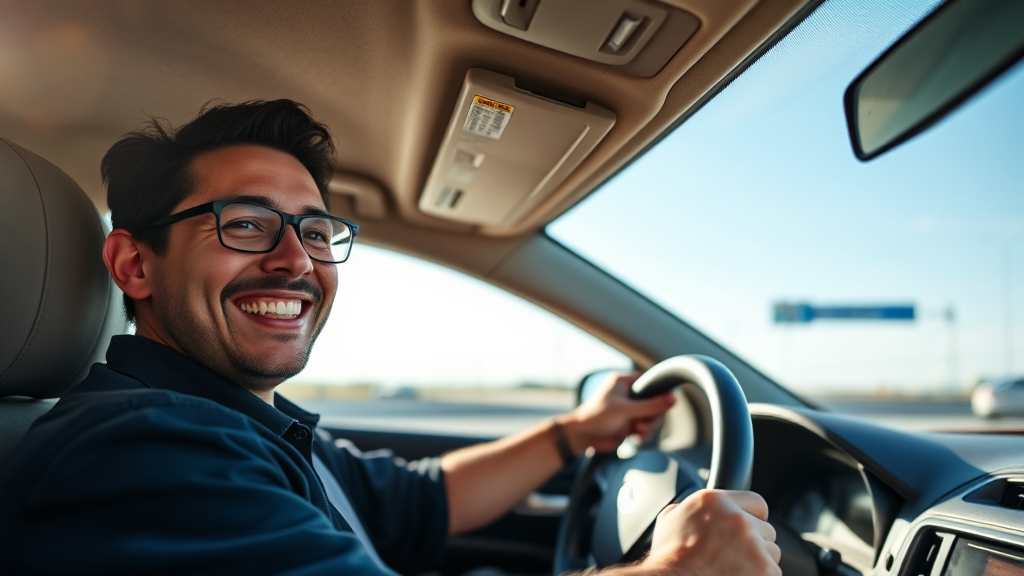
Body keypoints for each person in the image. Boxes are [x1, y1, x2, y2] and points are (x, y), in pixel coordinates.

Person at [0, 100, 781, 576]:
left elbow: (420, 502)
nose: (296, 259)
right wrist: (679, 567)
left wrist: (579, 431)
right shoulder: (139, 451)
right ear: (134, 264)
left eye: (314, 230)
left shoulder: (231, 425)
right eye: (244, 224)